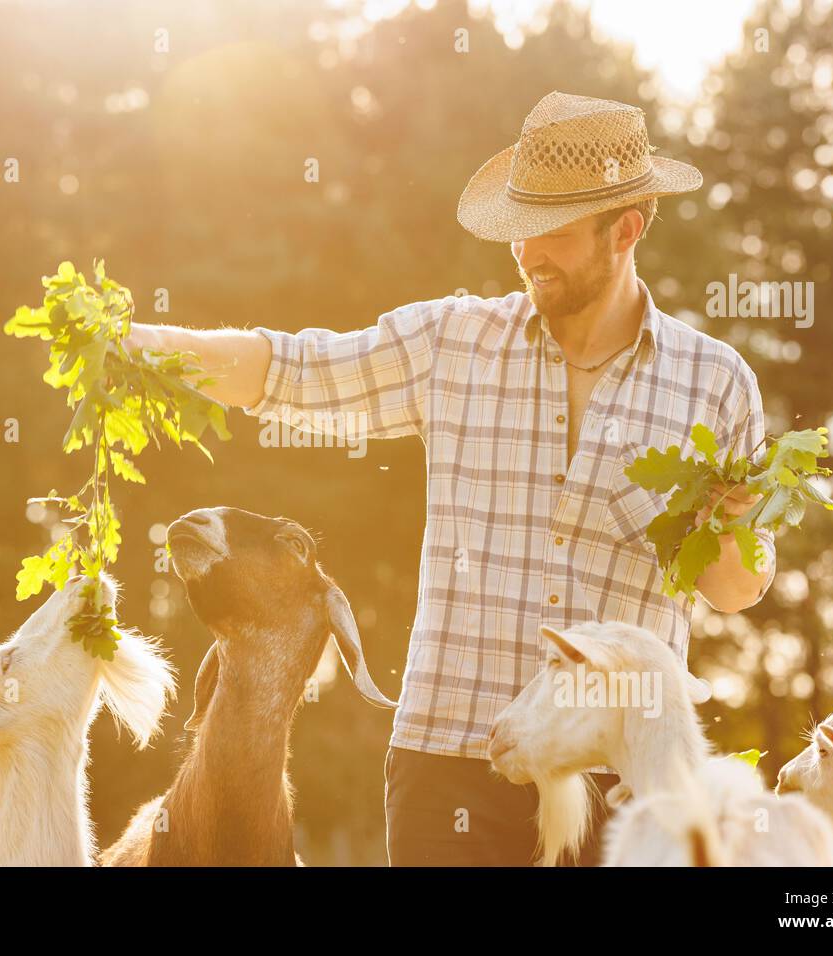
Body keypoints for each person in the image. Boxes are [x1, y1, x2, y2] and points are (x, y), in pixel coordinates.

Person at [126, 91, 775, 865]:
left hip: (617, 785)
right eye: (519, 231)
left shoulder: (715, 383)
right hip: (449, 771)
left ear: (626, 230)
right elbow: (295, 371)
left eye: (553, 234)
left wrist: (730, 528)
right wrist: (139, 344)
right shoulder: (454, 343)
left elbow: (737, 589)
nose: (527, 253)